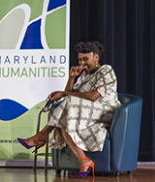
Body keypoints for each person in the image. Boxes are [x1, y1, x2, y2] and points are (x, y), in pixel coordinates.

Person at [18, 41, 121, 178]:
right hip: (85, 113)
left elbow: (93, 96)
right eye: (80, 59)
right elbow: (69, 95)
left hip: (104, 112)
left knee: (68, 103)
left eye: (86, 59)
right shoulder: (84, 75)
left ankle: (41, 136)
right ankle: (83, 160)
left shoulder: (106, 71)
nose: (82, 63)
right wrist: (71, 78)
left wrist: (65, 93)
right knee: (65, 118)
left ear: (96, 57)